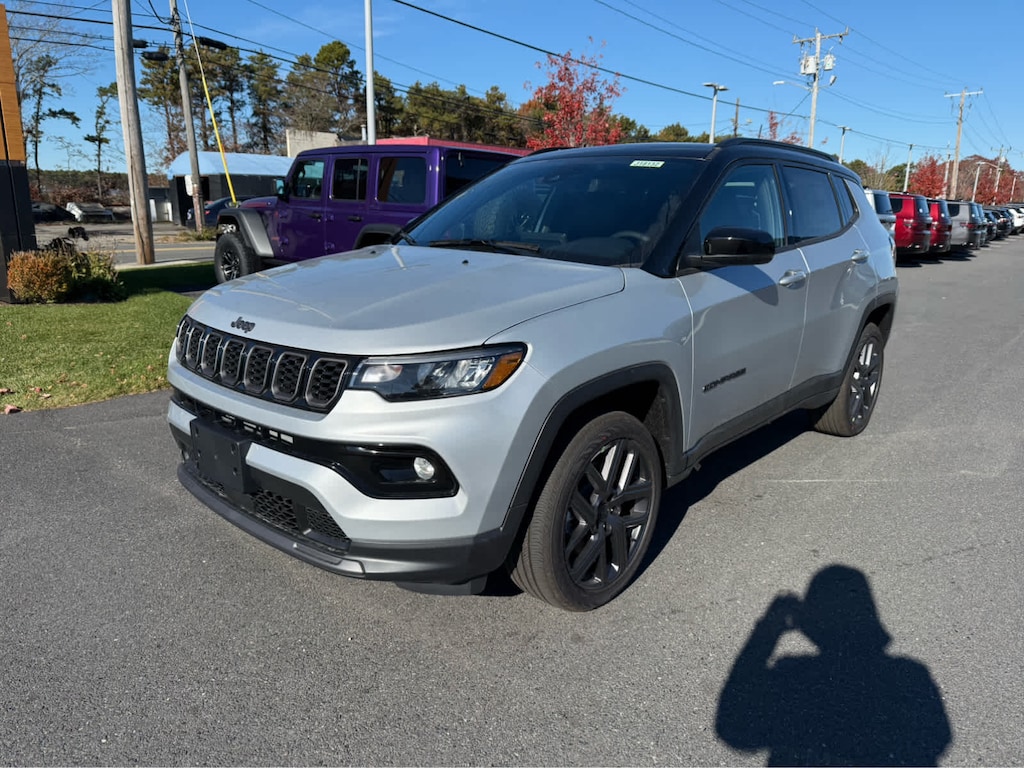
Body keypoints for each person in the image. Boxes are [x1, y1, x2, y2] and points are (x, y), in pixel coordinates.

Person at [716, 565, 951, 766]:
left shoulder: (794, 677)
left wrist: (768, 630)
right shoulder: (909, 675)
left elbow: (733, 727)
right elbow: (939, 739)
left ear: (809, 624)